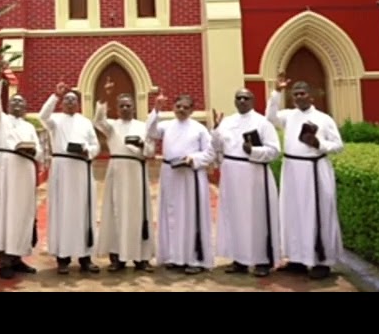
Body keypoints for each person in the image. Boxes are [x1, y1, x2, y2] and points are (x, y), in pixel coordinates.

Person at [265, 73, 345, 279]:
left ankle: (321, 261)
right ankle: (297, 258)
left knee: (317, 215)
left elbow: (338, 146)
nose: (299, 97)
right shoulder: (289, 116)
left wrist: (319, 144)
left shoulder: (324, 119)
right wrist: (276, 92)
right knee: (293, 214)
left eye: (302, 94)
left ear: (311, 97)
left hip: (314, 170)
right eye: (295, 94)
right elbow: (270, 117)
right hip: (291, 170)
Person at [211, 89, 281, 277]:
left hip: (254, 174)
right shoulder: (227, 122)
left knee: (256, 218)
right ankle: (239, 259)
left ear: (253, 100)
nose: (242, 101)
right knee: (234, 217)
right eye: (238, 98)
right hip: (231, 175)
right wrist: (216, 130)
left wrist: (253, 151)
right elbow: (216, 147)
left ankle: (262, 260)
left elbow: (274, 151)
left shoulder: (262, 123)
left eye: (246, 98)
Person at [146, 91, 216, 274]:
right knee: (172, 215)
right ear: (173, 107)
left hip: (190, 177)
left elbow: (210, 153)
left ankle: (194, 259)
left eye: (186, 107)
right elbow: (151, 132)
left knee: (190, 216)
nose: (182, 110)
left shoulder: (199, 129)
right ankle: (174, 256)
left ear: (192, 110)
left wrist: (193, 158)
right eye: (179, 106)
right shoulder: (167, 125)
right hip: (170, 174)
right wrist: (156, 110)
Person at [92, 77, 155, 271]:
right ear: (117, 109)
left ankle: (141, 257)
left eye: (128, 105)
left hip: (136, 172)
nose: (125, 108)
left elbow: (151, 152)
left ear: (134, 108)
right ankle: (117, 257)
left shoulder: (143, 126)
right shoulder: (112, 127)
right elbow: (97, 120)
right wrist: (104, 96)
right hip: (117, 171)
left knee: (139, 213)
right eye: (122, 106)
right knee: (116, 213)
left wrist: (142, 145)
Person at [39, 82, 102, 274]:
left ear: (79, 103)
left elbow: (96, 145)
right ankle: (63, 258)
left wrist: (87, 150)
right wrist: (55, 95)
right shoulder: (55, 120)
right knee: (63, 211)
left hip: (82, 169)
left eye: (73, 100)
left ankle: (85, 257)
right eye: (67, 100)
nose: (70, 102)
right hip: (62, 169)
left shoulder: (85, 122)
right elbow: (43, 116)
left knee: (84, 211)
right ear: (62, 103)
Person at [0, 72, 42, 279]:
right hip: (6, 171)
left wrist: (33, 152)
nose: (17, 105)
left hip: (25, 172)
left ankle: (17, 257)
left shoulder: (29, 126)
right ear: (8, 106)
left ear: (26, 108)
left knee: (22, 214)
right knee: (5, 214)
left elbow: (41, 151)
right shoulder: (1, 121)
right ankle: (3, 261)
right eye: (14, 102)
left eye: (21, 103)